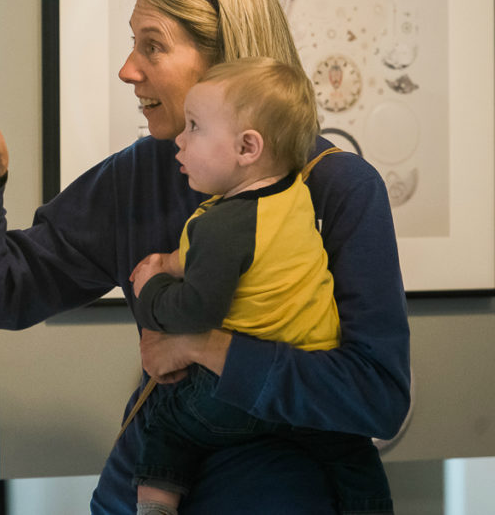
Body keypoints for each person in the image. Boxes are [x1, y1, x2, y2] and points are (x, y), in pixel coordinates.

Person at [0, 0, 411, 513]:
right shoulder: (142, 174)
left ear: (226, 61)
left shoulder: (340, 187)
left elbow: (378, 397)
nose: (129, 69)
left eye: (153, 46)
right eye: (134, 44)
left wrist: (206, 347)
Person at [128, 58, 391, 514]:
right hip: (313, 392)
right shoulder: (297, 195)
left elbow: (194, 311)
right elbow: (250, 259)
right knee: (354, 455)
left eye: (194, 127)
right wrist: (174, 260)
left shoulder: (220, 223)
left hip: (231, 399)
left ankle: (154, 505)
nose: (181, 139)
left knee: (167, 427)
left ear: (248, 146)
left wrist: (150, 289)